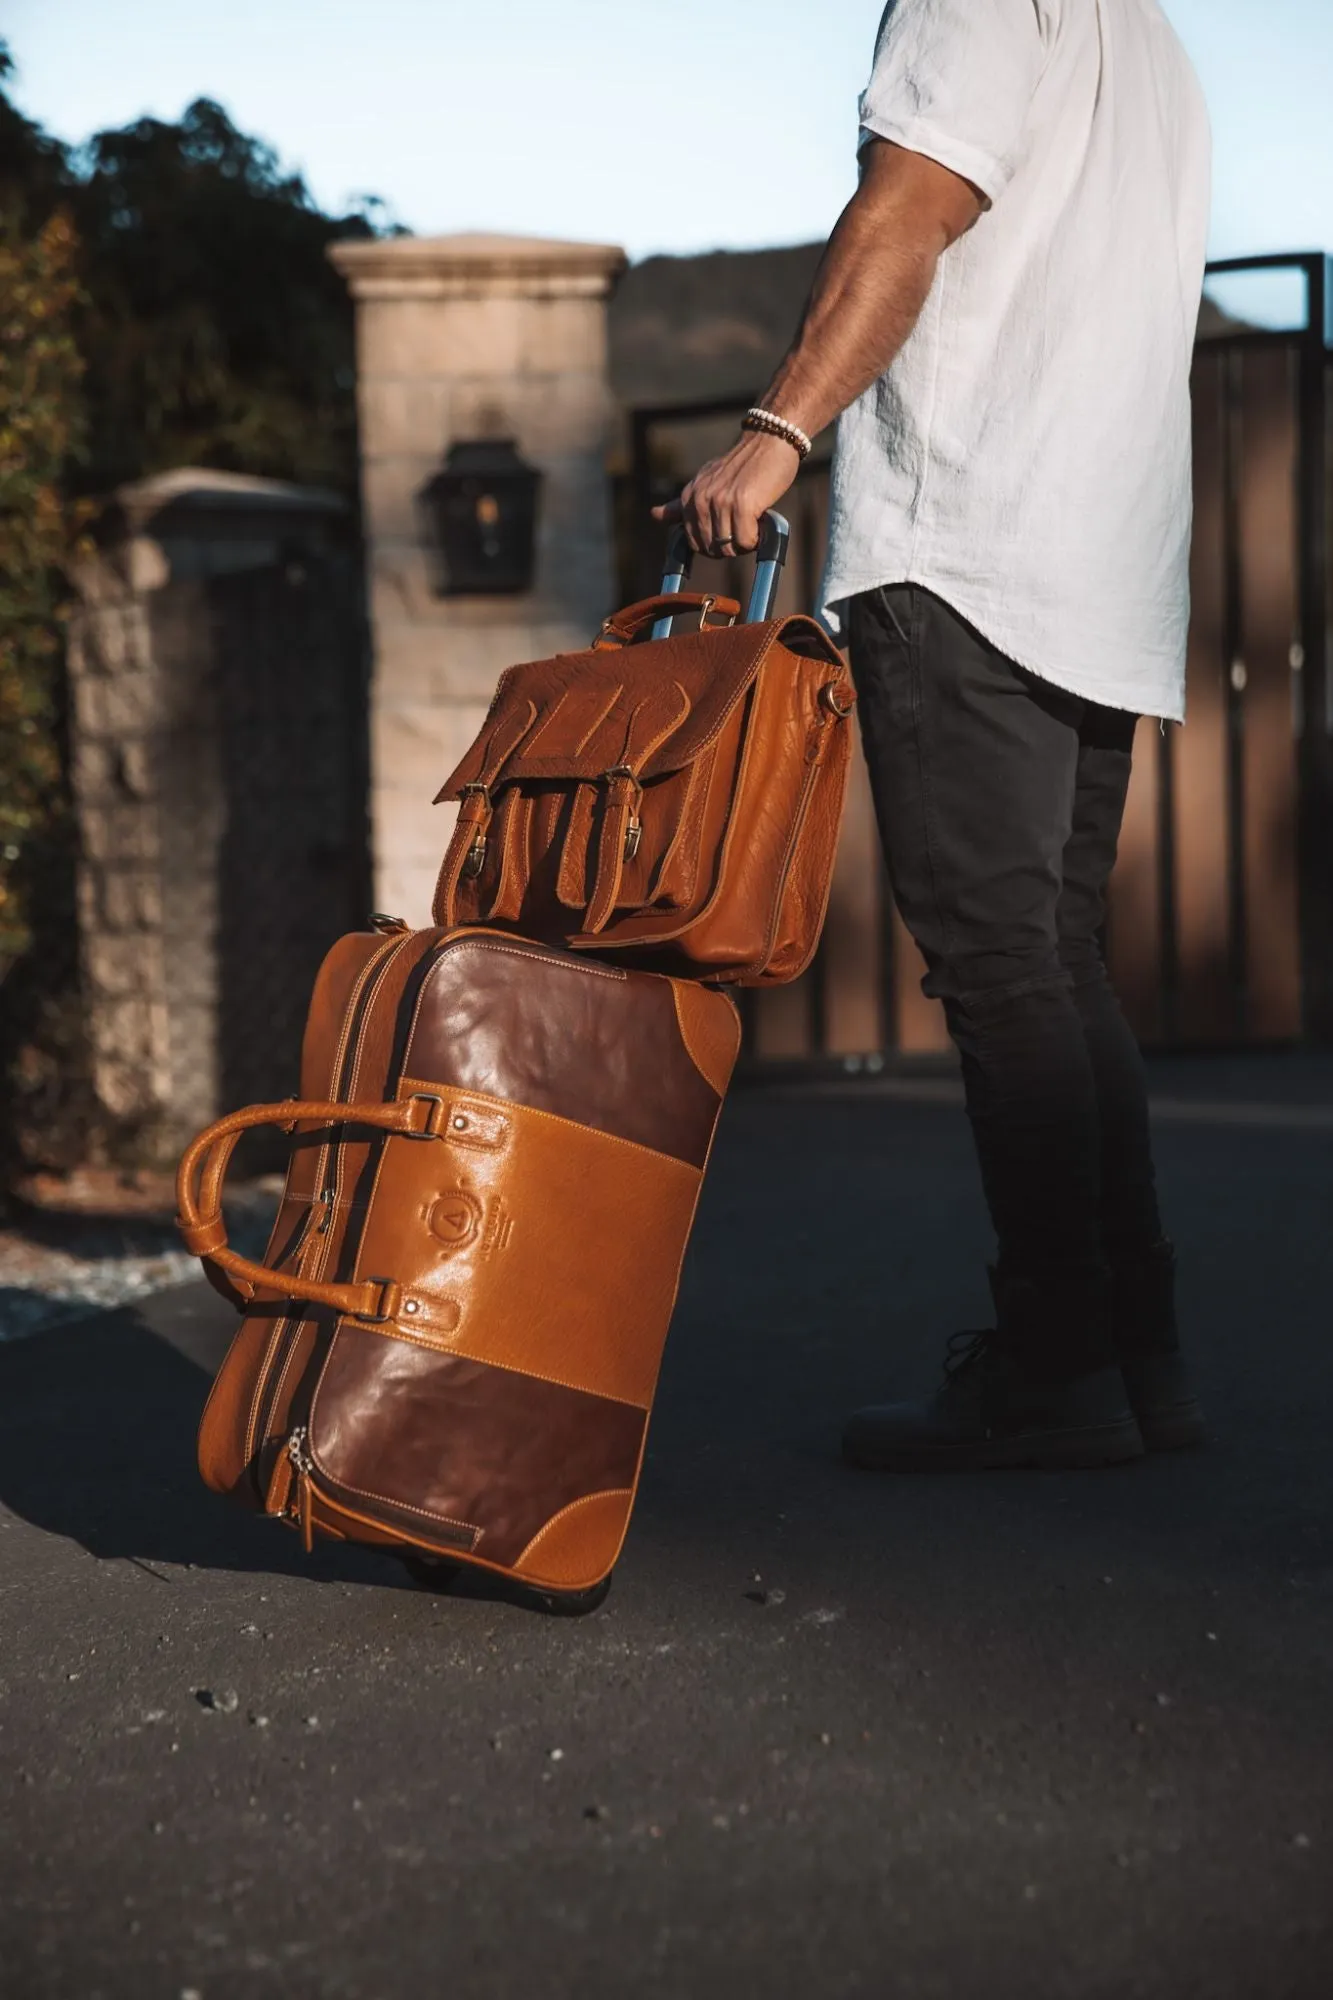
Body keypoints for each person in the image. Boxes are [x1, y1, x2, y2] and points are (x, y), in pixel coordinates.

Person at [654, 0, 1212, 1471]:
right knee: (1056, 960)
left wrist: (779, 428)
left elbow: (906, 214)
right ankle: (1135, 1359)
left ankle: (1056, 1368)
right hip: (1104, 562)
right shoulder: (1144, 37)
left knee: (1002, 969)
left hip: (971, 550)